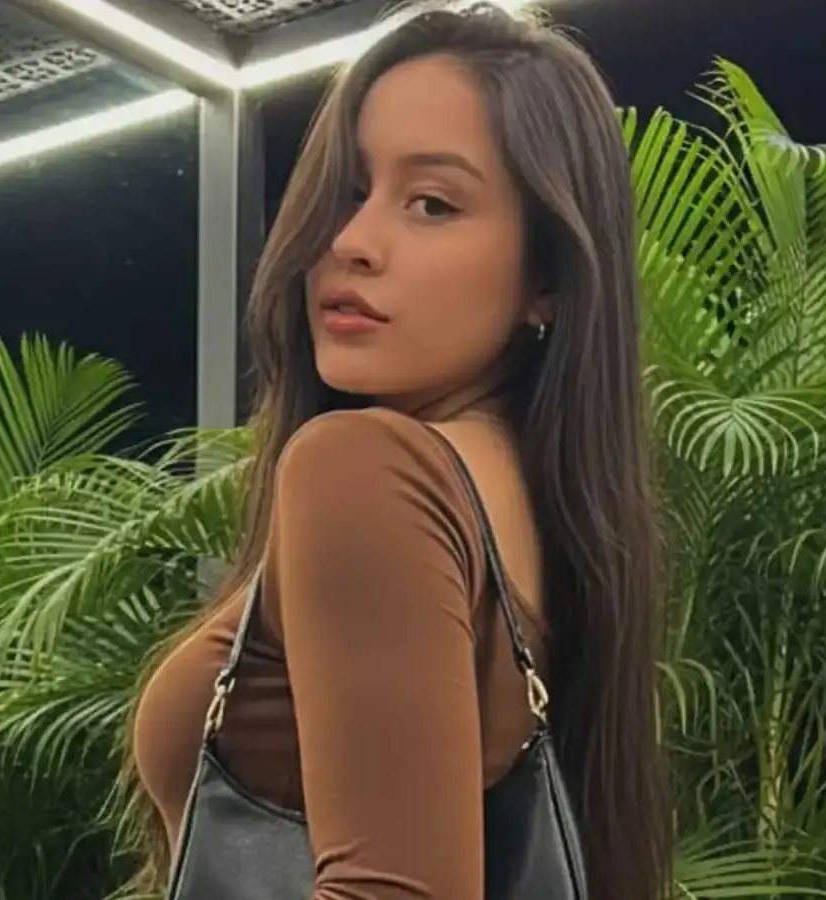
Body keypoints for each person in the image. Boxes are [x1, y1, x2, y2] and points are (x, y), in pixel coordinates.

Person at [129, 3, 670, 899]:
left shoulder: (368, 470)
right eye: (349, 190)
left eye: (432, 204)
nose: (350, 243)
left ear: (545, 278)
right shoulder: (539, 511)